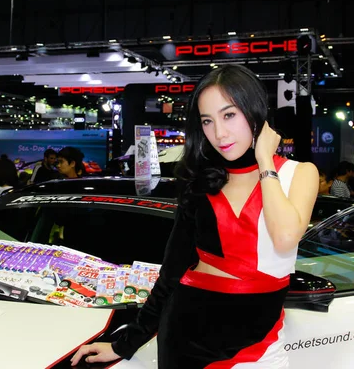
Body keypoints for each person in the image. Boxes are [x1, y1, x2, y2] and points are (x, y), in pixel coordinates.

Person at [71, 65, 318, 368]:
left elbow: (285, 237)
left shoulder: (300, 174)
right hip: (186, 342)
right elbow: (172, 273)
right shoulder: (202, 181)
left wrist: (265, 158)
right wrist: (125, 344)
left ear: (255, 110)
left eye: (229, 115)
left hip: (262, 345)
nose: (219, 133)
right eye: (207, 121)